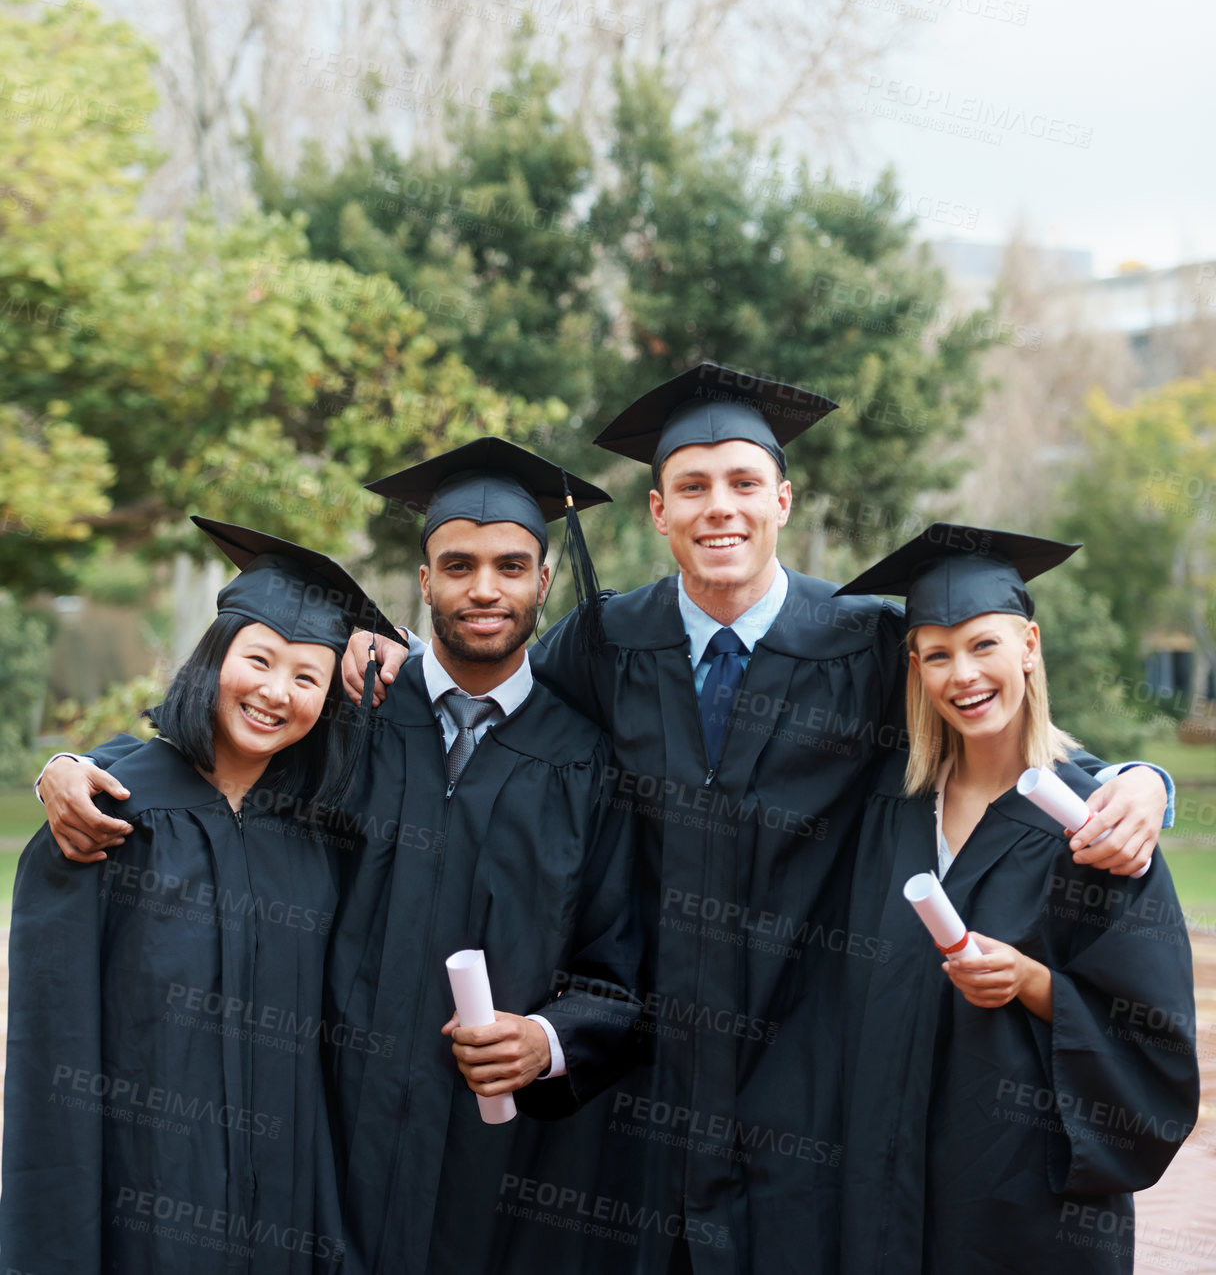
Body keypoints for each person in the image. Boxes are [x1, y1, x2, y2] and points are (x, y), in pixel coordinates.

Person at [345, 363, 1176, 1275]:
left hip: (806, 1065)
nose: (720, 508)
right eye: (692, 488)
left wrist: (1138, 780)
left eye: (743, 483)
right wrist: (384, 652)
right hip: (646, 1071)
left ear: (782, 498)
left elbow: (987, 708)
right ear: (659, 512)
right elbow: (494, 687)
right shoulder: (608, 641)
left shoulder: (861, 641)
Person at [36, 441, 644, 1275]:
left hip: (491, 1160)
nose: (484, 588)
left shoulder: (586, 763)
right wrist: (71, 767)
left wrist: (547, 1039)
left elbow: (619, 973)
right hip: (321, 1140)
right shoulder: (349, 720)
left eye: (511, 565)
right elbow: (209, 762)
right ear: (423, 582)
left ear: (544, 581)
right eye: (457, 564)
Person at [1, 515, 401, 1275]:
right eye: (259, 659)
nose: (275, 692)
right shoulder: (109, 812)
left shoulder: (323, 836)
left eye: (307, 677)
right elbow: (51, 1057)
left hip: (287, 1209)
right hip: (144, 1205)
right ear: (214, 657)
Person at [832, 523, 1199, 1273]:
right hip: (890, 1198)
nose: (962, 674)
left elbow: (1153, 1042)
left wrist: (1033, 984)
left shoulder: (1094, 824)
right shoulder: (891, 811)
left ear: (1029, 644)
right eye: (937, 654)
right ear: (916, 669)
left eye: (984, 644)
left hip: (1026, 1209)